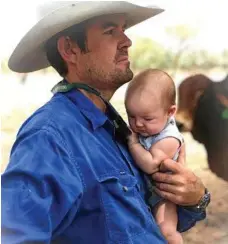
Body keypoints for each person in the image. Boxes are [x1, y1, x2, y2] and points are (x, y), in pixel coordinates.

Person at [2, 2, 210, 244]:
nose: (127, 41)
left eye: (123, 28)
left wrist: (196, 197)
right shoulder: (48, 137)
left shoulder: (117, 127)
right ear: (70, 49)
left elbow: (143, 218)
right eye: (110, 31)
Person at [125, 69, 184, 244]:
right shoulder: (146, 127)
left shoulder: (169, 138)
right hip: (147, 190)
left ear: (170, 112)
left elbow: (151, 164)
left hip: (164, 195)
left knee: (166, 230)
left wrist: (133, 143)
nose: (138, 124)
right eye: (131, 116)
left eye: (147, 118)